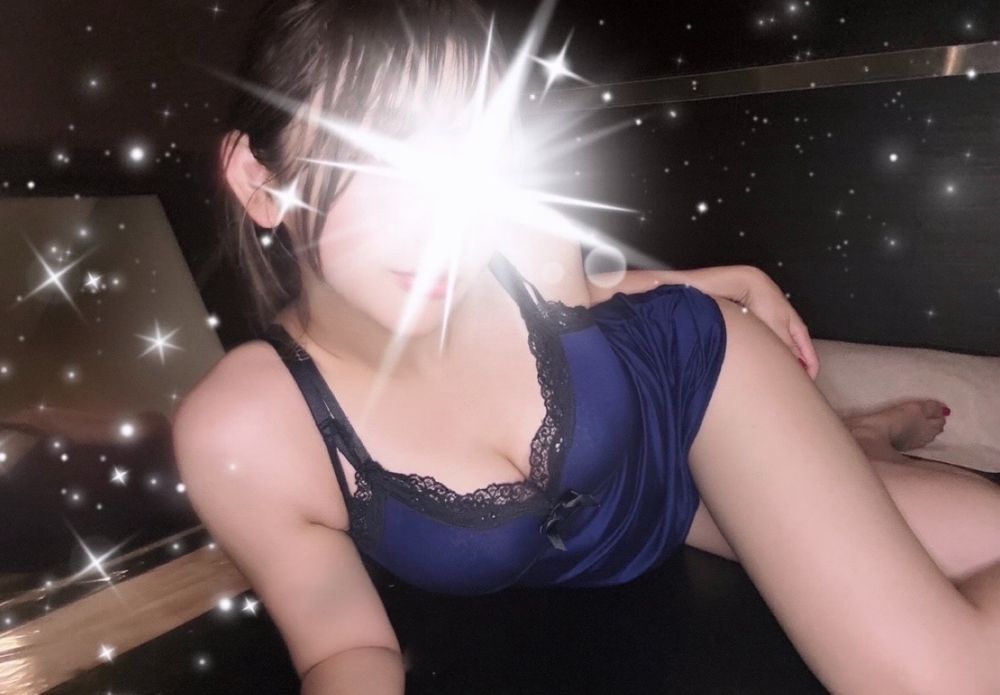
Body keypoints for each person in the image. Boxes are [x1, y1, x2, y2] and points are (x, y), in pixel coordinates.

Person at [171, 1, 1000, 693]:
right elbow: (346, 647)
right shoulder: (245, 434)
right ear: (259, 182)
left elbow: (576, 292)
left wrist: (720, 280)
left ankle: (834, 441)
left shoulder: (511, 238)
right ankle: (856, 440)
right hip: (672, 515)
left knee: (942, 677)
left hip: (700, 396)